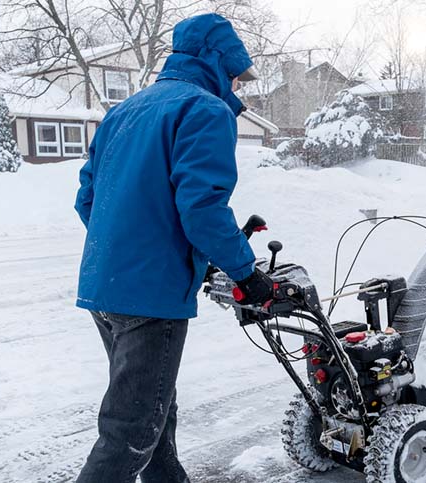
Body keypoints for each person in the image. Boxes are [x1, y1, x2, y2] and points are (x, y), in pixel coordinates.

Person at [72, 13, 275, 483]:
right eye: (233, 72)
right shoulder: (204, 110)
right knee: (132, 429)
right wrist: (248, 274)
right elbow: (201, 209)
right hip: (150, 296)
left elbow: (88, 199)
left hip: (106, 285)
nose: (234, 82)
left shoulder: (125, 111)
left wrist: (137, 245)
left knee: (153, 406)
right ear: (214, 60)